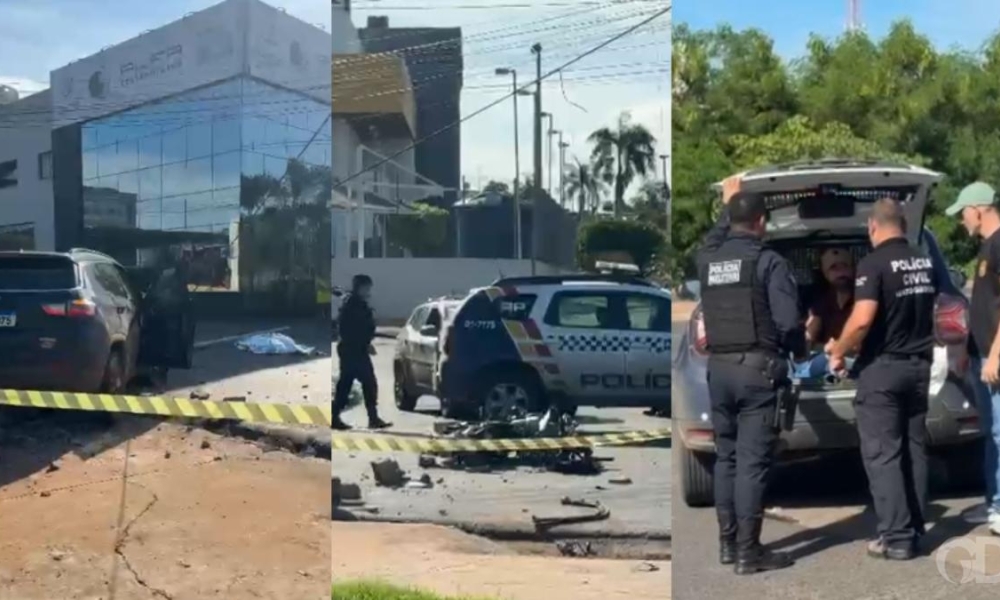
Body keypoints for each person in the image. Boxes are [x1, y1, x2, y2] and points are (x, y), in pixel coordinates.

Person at [697, 186, 807, 575]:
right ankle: (749, 552)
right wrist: (800, 350)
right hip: (757, 373)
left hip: (719, 371)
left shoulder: (707, 260)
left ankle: (728, 545)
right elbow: (788, 323)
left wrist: (730, 201)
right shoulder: (769, 262)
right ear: (762, 222)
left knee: (726, 458)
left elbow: (713, 236)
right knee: (751, 464)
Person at [827, 198, 937, 560]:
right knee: (914, 449)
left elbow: (861, 320)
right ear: (902, 224)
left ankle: (897, 537)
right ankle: (916, 525)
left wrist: (839, 350)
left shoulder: (872, 264)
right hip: (919, 366)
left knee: (883, 454)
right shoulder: (923, 257)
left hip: (884, 372)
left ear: (873, 227)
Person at [944, 181, 1000, 535]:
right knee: (990, 433)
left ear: (978, 209)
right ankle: (994, 501)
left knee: (999, 432)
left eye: (963, 213)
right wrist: (968, 350)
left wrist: (995, 355)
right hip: (981, 355)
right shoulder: (986, 248)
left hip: (996, 357)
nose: (962, 221)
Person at [332, 274, 391, 431]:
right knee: (355, 384)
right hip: (352, 351)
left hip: (357, 349)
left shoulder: (357, 303)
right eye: (366, 287)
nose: (369, 291)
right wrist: (362, 344)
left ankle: (371, 418)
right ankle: (336, 416)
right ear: (360, 287)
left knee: (360, 384)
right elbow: (348, 329)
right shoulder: (352, 305)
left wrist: (366, 343)